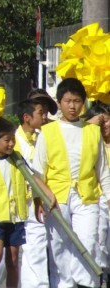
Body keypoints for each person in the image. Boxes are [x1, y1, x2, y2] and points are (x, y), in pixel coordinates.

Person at [32, 78, 110, 287]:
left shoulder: (92, 131)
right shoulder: (48, 131)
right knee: (59, 246)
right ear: (59, 103)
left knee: (88, 241)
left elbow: (102, 170)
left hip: (87, 196)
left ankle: (84, 283)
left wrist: (109, 197)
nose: (72, 106)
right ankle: (64, 284)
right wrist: (39, 198)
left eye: (77, 101)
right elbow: (38, 171)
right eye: (67, 101)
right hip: (56, 197)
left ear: (83, 102)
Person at [0, 117, 55, 288]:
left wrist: (46, 195)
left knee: (14, 259)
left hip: (16, 217)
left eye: (13, 139)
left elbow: (32, 179)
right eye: (7, 140)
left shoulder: (16, 158)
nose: (11, 144)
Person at [14, 99, 49, 287]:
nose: (45, 117)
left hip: (42, 199)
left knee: (37, 248)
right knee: (27, 250)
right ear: (27, 117)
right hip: (22, 201)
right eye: (41, 113)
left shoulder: (43, 136)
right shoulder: (13, 141)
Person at [82, 102, 110, 280]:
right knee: (98, 238)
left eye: (106, 121)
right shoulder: (90, 144)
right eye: (100, 122)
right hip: (96, 198)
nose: (104, 126)